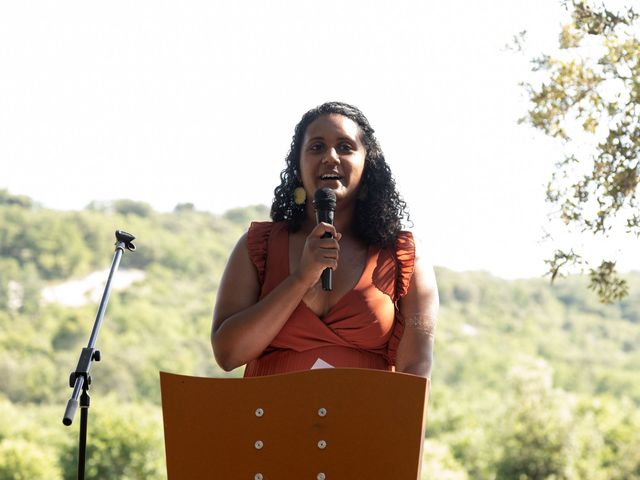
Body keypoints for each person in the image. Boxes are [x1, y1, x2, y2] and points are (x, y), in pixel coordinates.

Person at [211, 102, 438, 378]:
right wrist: (302, 278)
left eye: (345, 147)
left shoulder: (403, 257)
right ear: (298, 164)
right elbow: (228, 354)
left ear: (368, 164)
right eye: (316, 147)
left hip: (364, 420)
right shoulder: (258, 246)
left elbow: (416, 370)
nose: (330, 157)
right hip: (269, 419)